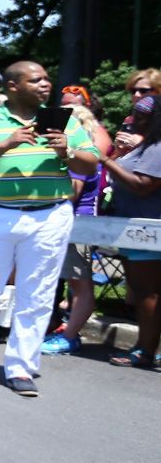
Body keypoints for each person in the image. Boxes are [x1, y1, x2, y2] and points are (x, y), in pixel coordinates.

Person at [0, 61, 98, 397]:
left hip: (49, 216)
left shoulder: (64, 120)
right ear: (13, 86)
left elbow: (91, 162)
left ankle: (20, 367)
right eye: (36, 80)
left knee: (37, 293)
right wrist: (6, 144)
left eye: (46, 79)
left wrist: (67, 151)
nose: (46, 84)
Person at [98, 98, 161, 368]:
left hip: (147, 228)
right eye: (134, 115)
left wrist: (102, 159)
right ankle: (147, 349)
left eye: (142, 117)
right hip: (133, 228)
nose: (134, 120)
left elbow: (141, 185)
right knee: (143, 290)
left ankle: (144, 351)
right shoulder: (147, 145)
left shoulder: (158, 148)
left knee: (148, 292)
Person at [42, 104, 104, 355]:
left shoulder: (78, 156)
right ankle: (65, 330)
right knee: (73, 283)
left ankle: (70, 336)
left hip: (79, 224)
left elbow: (73, 193)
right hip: (70, 223)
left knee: (80, 285)